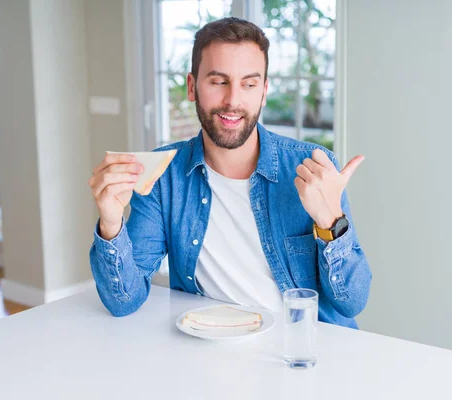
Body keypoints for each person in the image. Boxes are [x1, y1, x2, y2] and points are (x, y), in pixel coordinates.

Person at [88, 17, 371, 329]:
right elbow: (122, 301)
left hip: (301, 351)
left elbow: (352, 301)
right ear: (192, 87)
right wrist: (111, 222)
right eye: (218, 82)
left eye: (248, 84)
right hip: (208, 352)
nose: (233, 100)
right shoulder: (164, 177)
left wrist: (331, 222)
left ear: (263, 91)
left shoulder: (313, 168)